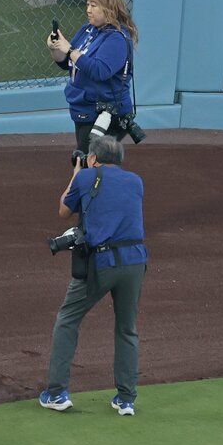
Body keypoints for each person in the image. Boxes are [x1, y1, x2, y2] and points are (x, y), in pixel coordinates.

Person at [39, 135, 148, 416]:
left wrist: (77, 174)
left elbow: (64, 210)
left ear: (92, 158)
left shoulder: (86, 177)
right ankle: (126, 399)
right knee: (127, 328)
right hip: (134, 261)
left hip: (101, 263)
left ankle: (56, 393)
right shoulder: (136, 181)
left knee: (68, 320)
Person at [47, 0, 139, 160]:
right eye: (88, 4)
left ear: (108, 8)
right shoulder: (89, 29)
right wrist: (55, 47)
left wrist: (70, 50)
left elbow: (99, 71)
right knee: (90, 162)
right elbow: (68, 62)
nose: (88, 9)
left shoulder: (117, 39)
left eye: (94, 5)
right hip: (84, 108)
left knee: (85, 162)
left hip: (106, 113)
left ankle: (90, 187)